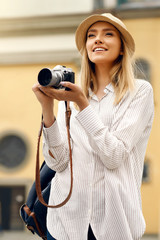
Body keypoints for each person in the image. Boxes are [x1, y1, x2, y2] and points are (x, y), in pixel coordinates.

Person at [32, 13, 154, 240]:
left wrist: (82, 104)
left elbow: (114, 155)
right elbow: (58, 162)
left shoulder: (139, 92)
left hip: (114, 225)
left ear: (121, 49)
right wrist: (47, 107)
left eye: (108, 34)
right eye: (91, 36)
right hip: (65, 223)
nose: (97, 39)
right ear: (86, 48)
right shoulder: (69, 94)